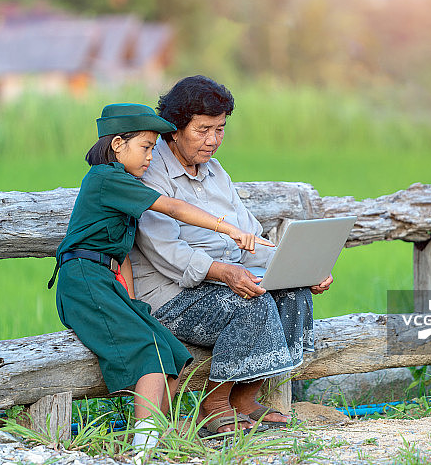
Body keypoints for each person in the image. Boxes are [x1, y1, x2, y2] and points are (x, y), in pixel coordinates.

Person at [48, 103, 273, 449]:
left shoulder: (122, 185)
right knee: (150, 349)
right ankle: (144, 446)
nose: (152, 156)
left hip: (105, 281)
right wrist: (225, 228)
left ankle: (160, 435)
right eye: (146, 147)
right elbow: (173, 206)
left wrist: (134, 304)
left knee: (170, 350)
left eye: (154, 147)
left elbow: (120, 255)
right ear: (118, 145)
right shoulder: (107, 178)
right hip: (84, 281)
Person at [130, 76, 334, 435]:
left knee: (293, 293)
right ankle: (214, 404)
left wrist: (302, 270)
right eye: (203, 129)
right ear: (174, 129)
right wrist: (225, 273)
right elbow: (168, 254)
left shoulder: (215, 171)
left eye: (220, 129)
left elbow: (250, 235)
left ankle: (244, 400)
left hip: (221, 283)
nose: (213, 140)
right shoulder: (150, 172)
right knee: (250, 303)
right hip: (169, 295)